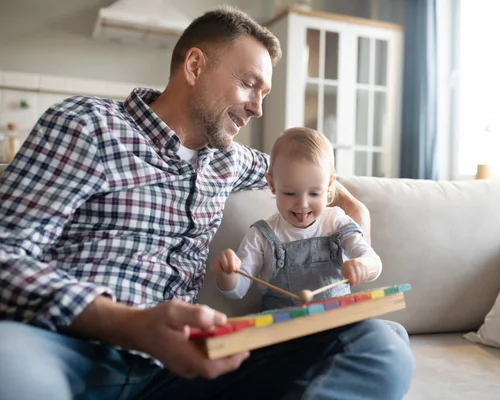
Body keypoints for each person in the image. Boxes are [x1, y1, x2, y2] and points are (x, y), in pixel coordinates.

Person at [0, 6, 414, 400]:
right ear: (195, 66)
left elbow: (306, 173)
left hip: (179, 374)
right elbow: (6, 252)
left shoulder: (230, 159)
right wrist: (129, 324)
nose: (257, 107)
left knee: (382, 342)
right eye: (250, 84)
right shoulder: (88, 125)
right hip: (67, 352)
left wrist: (354, 214)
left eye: (264, 93)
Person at [211, 127, 383, 310]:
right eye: (290, 193)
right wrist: (228, 274)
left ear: (330, 185)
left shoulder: (337, 222)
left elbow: (373, 261)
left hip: (338, 323)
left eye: (314, 194)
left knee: (388, 331)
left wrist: (363, 265)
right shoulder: (261, 236)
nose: (302, 204)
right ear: (272, 184)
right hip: (287, 330)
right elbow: (236, 290)